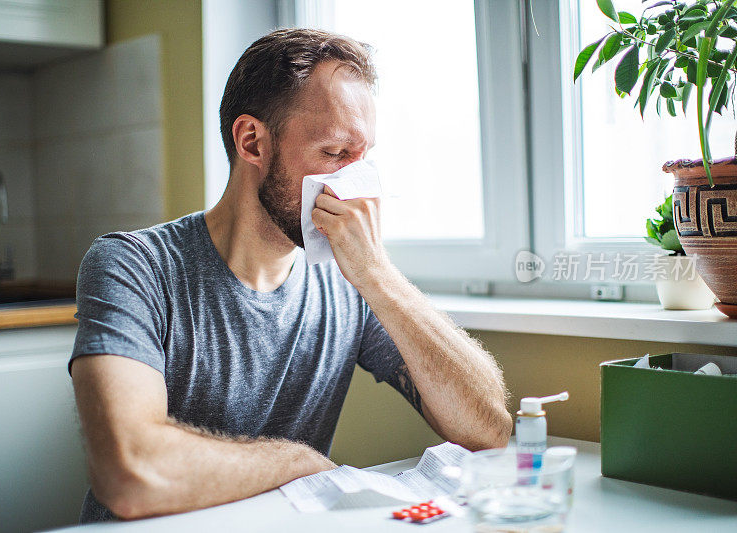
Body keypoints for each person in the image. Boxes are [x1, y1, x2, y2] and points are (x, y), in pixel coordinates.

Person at [69, 28, 512, 523]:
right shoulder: (133, 266)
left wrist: (379, 275)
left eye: (363, 158)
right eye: (334, 154)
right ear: (251, 141)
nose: (354, 185)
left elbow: (487, 429)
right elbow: (130, 473)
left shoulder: (350, 280)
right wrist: (297, 461)